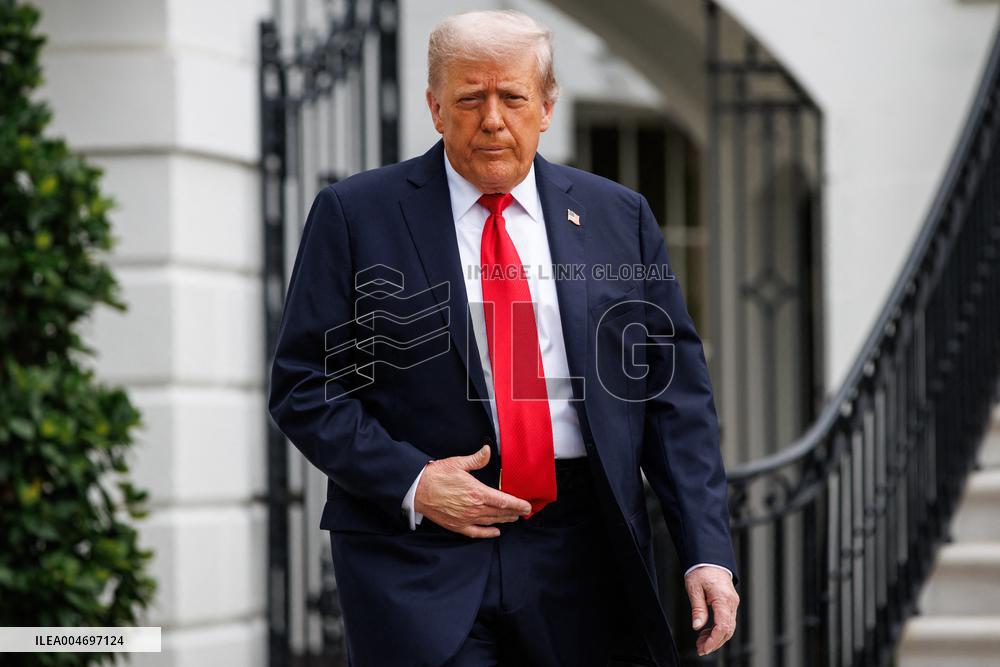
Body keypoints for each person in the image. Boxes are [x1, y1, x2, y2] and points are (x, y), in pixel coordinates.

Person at [268, 9, 740, 667]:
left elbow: (675, 401)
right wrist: (413, 480)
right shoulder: (355, 215)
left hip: (582, 555)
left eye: (512, 97)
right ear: (435, 108)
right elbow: (303, 383)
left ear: (546, 107)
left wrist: (706, 548)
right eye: (469, 99)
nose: (493, 118)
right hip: (418, 557)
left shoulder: (618, 218)